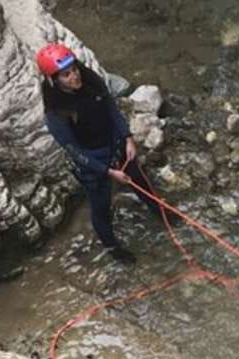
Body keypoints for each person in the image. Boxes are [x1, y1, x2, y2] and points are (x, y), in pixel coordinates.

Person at [37, 43, 168, 263]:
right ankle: (113, 247)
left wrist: (127, 138)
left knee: (142, 182)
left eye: (74, 69)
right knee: (101, 207)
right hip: (92, 160)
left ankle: (162, 214)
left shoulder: (90, 81)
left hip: (115, 144)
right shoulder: (56, 113)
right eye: (66, 75)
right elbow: (73, 150)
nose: (74, 76)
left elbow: (111, 109)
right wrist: (107, 172)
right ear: (54, 80)